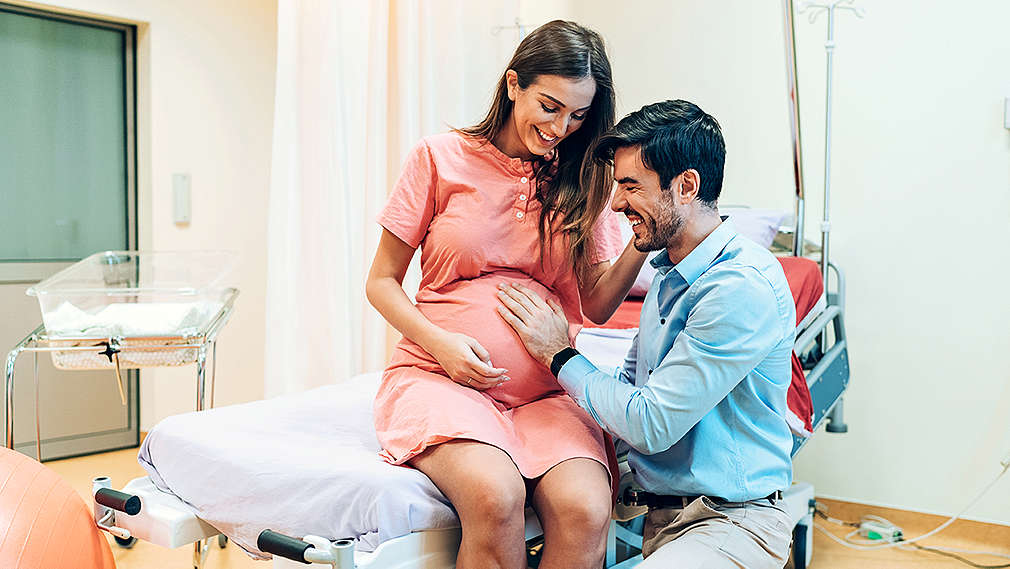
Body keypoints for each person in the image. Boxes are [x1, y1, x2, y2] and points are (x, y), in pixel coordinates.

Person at [365, 20, 648, 569]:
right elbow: (380, 282)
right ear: (514, 83)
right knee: (496, 498)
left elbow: (594, 305)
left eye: (578, 115)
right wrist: (442, 344)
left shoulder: (586, 179)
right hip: (440, 377)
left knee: (587, 509)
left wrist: (644, 237)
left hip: (548, 391)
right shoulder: (438, 158)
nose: (561, 126)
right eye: (550, 106)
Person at [497, 99, 797, 568]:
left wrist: (560, 355)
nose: (616, 204)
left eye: (630, 186)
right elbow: (631, 389)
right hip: (665, 523)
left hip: (735, 524)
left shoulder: (739, 287)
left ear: (686, 186)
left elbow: (649, 423)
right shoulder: (667, 274)